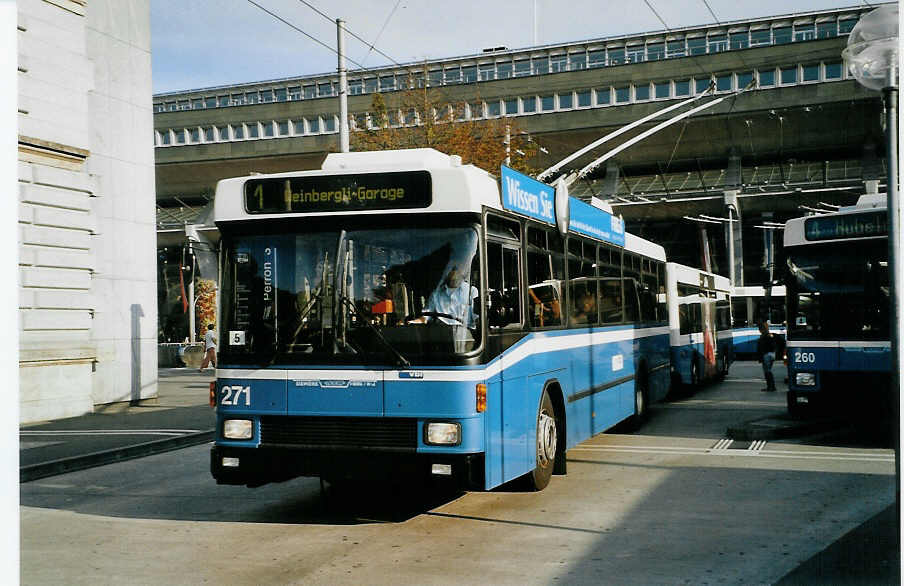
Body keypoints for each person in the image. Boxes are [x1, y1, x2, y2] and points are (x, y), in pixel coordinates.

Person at [756, 320, 776, 392]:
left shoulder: (764, 336)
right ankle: (771, 386)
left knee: (767, 371)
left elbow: (761, 348)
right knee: (768, 371)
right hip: (771, 354)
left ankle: (771, 387)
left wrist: (761, 357)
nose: (759, 331)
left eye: (759, 329)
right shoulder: (769, 335)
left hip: (767, 355)